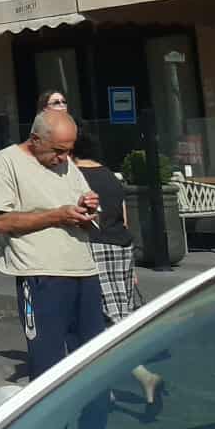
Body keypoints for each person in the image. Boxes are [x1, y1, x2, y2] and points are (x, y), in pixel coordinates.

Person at [0, 110, 110, 429]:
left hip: (83, 270)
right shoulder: (6, 162)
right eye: (57, 150)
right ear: (35, 139)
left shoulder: (67, 164)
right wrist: (56, 215)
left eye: (68, 150)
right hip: (40, 274)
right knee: (47, 361)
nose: (63, 158)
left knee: (95, 357)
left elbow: (87, 212)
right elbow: (0, 221)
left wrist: (88, 207)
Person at [73, 131, 164, 411]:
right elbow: (123, 218)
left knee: (103, 319)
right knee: (117, 314)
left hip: (96, 247)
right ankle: (107, 384)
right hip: (122, 247)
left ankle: (142, 375)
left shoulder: (75, 176)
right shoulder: (111, 176)